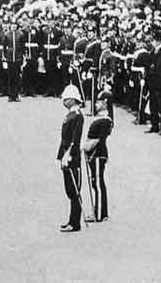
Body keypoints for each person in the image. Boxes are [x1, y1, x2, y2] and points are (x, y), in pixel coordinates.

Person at [83, 90, 113, 222]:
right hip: (95, 154)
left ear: (105, 103)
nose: (96, 104)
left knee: (98, 183)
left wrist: (86, 147)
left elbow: (99, 140)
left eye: (98, 102)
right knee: (96, 182)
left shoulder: (105, 120)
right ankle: (99, 211)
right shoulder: (101, 118)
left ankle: (100, 213)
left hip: (97, 154)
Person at [58, 84, 84, 232]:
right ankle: (71, 220)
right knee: (69, 190)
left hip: (72, 157)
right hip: (65, 155)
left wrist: (68, 155)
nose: (64, 101)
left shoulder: (77, 116)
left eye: (67, 99)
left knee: (74, 191)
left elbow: (75, 139)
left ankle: (75, 222)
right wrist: (60, 155)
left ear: (73, 99)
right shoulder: (69, 115)